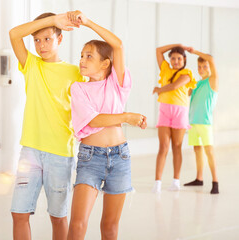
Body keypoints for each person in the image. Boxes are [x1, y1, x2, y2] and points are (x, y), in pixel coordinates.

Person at [66, 11, 146, 240]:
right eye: (81, 55)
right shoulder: (78, 88)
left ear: (105, 63)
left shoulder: (117, 84)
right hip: (90, 158)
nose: (81, 60)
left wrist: (88, 23)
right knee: (78, 224)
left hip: (120, 158)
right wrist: (126, 116)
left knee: (110, 227)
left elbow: (117, 45)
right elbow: (93, 120)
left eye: (89, 56)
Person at [9, 12, 83, 240]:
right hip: (30, 151)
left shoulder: (76, 72)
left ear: (60, 39)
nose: (41, 45)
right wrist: (51, 21)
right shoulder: (31, 64)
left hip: (60, 153)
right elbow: (14, 34)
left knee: (58, 216)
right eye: (37, 40)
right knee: (18, 213)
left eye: (47, 39)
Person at [152, 44, 196, 193]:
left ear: (184, 59)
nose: (176, 61)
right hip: (164, 111)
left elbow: (174, 86)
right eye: (173, 58)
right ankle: (157, 182)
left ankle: (176, 181)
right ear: (169, 60)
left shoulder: (187, 73)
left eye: (179, 58)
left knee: (177, 146)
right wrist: (179, 45)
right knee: (163, 147)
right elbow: (158, 50)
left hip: (180, 113)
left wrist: (159, 89)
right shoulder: (165, 69)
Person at [184, 48, 219, 194]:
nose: (201, 69)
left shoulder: (213, 81)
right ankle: (199, 178)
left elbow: (211, 59)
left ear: (210, 67)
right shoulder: (197, 83)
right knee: (196, 149)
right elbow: (188, 93)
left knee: (209, 151)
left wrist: (195, 52)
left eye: (204, 66)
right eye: (199, 67)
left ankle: (215, 181)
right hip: (193, 122)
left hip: (205, 123)